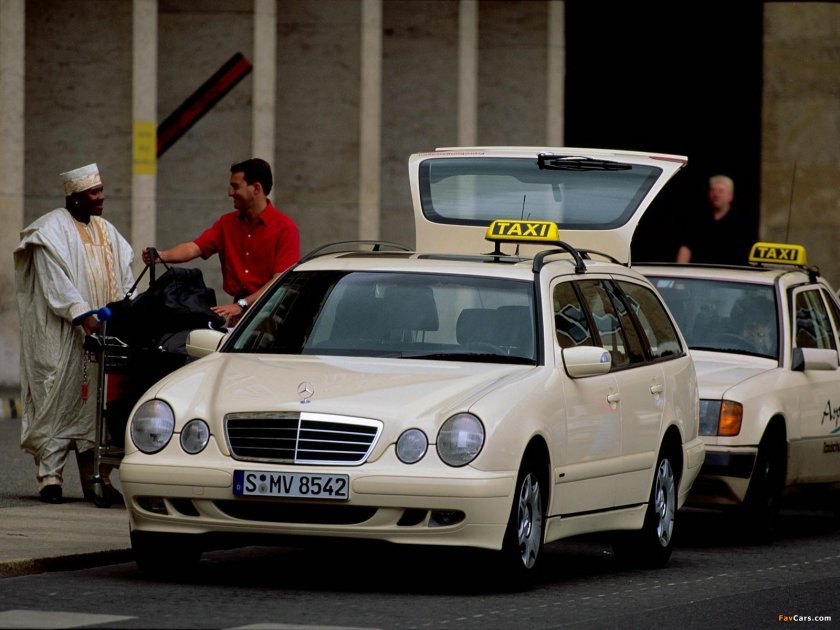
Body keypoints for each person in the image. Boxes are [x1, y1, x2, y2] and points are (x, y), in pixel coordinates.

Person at [14, 163, 135, 504]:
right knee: (57, 402)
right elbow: (56, 283)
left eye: (101, 191)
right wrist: (82, 315)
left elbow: (125, 275)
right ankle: (49, 477)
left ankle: (95, 478)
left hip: (100, 334)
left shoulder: (107, 231)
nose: (101, 198)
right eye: (93, 193)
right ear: (75, 197)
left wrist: (128, 310)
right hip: (61, 335)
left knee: (94, 406)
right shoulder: (50, 230)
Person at [142, 158, 300, 325]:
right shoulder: (226, 223)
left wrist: (242, 304)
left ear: (256, 189)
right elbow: (194, 248)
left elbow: (281, 281)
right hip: (238, 314)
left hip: (273, 314)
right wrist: (161, 256)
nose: (230, 192)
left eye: (236, 186)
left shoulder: (285, 228)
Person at [676, 174, 753, 265]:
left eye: (721, 191)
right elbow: (686, 247)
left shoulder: (742, 223)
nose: (716, 194)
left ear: (730, 196)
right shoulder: (698, 219)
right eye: (713, 190)